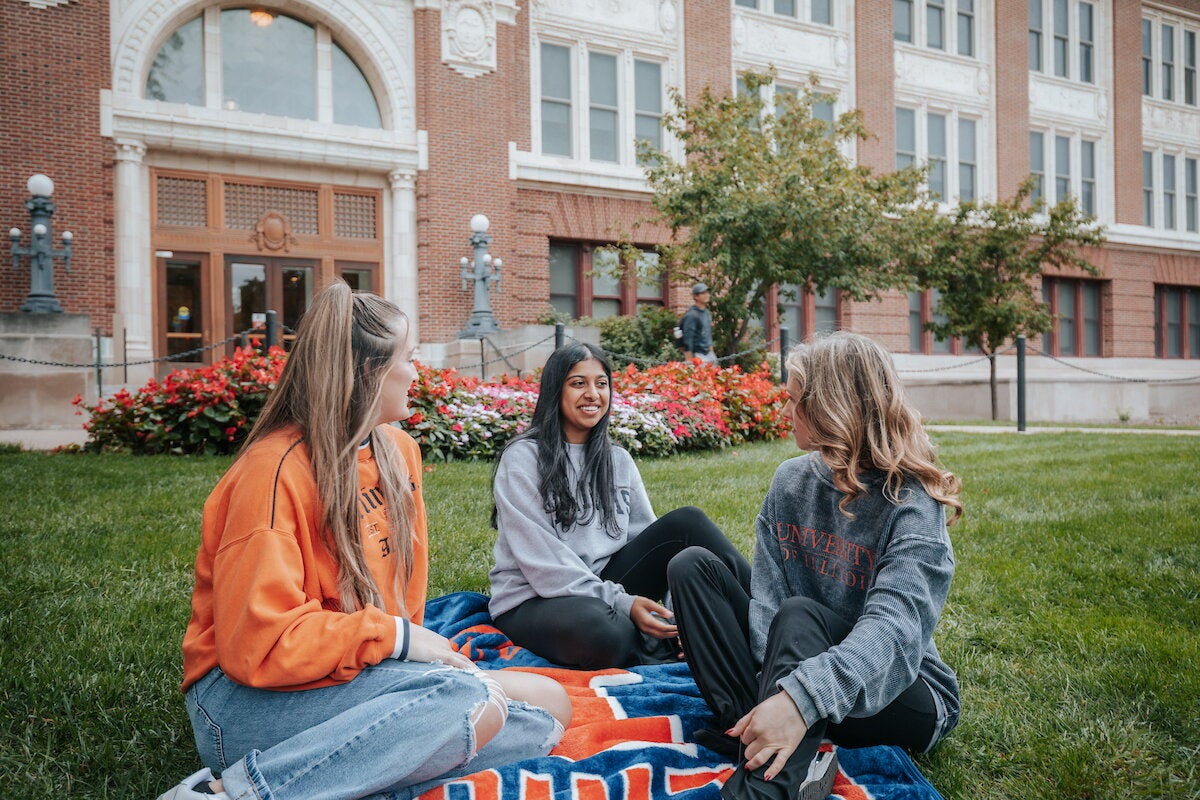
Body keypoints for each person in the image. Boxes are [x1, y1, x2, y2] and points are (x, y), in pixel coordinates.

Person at [156, 282, 571, 800]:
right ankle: (236, 793)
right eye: (410, 359)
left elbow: (402, 597)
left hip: (353, 675)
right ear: (368, 373)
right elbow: (256, 649)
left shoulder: (398, 453)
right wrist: (396, 641)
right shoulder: (272, 472)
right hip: (244, 701)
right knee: (470, 702)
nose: (417, 374)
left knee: (548, 711)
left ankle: (346, 773)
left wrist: (402, 655)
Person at [667, 332, 963, 800]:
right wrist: (779, 701)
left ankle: (762, 788)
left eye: (794, 401)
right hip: (798, 674)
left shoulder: (911, 502)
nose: (786, 413)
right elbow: (767, 602)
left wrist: (801, 699)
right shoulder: (791, 480)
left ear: (832, 405)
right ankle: (764, 736)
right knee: (692, 566)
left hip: (896, 691)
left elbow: (893, 634)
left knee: (800, 614)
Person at [488, 341, 750, 670]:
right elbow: (542, 562)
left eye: (601, 383)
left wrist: (679, 613)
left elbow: (653, 547)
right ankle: (694, 643)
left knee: (688, 523)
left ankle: (762, 623)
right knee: (602, 631)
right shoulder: (523, 458)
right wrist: (622, 603)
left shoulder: (617, 459)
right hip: (535, 598)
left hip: (605, 584)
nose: (592, 394)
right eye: (578, 383)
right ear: (555, 391)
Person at [679, 282, 717, 364]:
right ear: (695, 296)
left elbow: (708, 335)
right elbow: (687, 339)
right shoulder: (691, 315)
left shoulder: (707, 313)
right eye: (703, 293)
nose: (707, 295)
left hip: (709, 354)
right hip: (698, 355)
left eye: (707, 292)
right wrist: (689, 361)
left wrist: (712, 353)